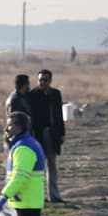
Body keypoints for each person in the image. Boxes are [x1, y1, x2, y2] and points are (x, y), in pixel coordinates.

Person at [27, 69, 65, 202]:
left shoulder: (56, 94)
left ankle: (53, 196)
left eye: (45, 80)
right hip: (37, 135)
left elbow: (59, 115)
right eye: (40, 80)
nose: (42, 82)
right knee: (37, 167)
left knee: (52, 165)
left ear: (50, 81)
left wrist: (62, 134)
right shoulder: (33, 95)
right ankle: (36, 195)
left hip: (52, 134)